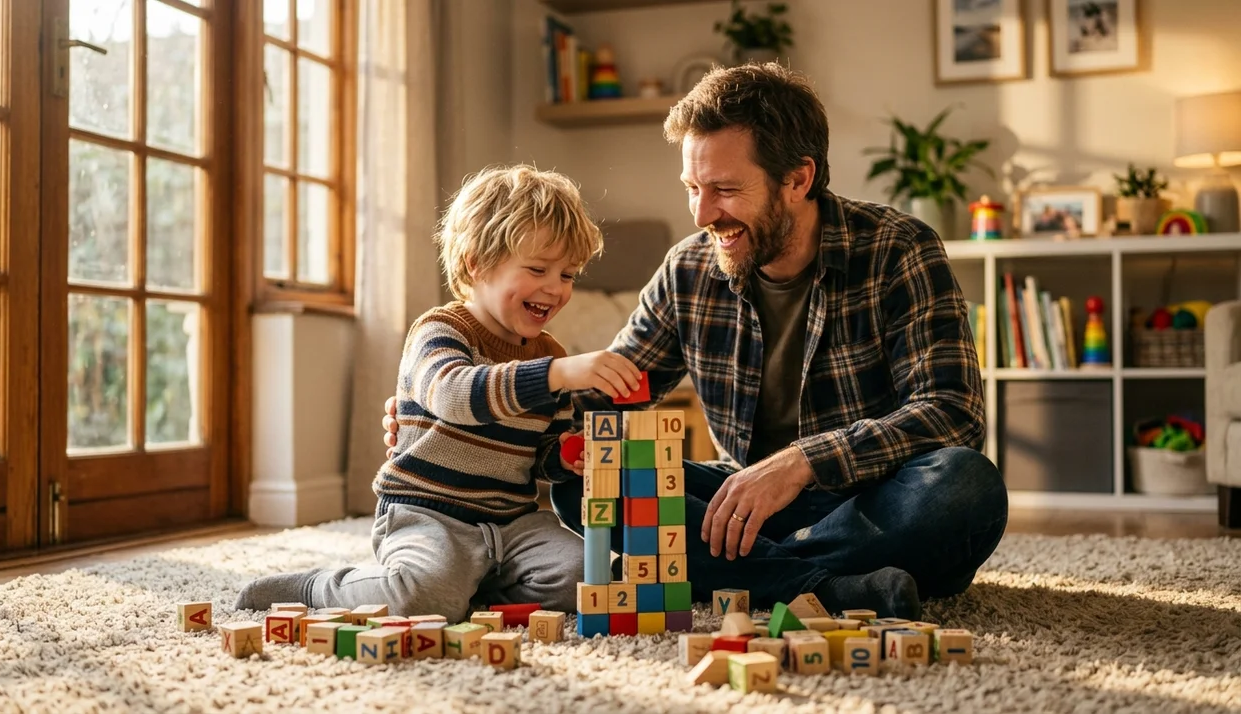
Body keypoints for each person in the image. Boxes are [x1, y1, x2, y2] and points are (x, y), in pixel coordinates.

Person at [385, 62, 1008, 620]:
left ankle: (763, 576)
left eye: (725, 190)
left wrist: (802, 462)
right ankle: (824, 585)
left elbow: (952, 413)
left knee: (963, 485)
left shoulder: (899, 249)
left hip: (871, 499)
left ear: (798, 179)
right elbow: (601, 411)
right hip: (737, 505)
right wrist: (451, 419)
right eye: (693, 187)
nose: (702, 213)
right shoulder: (689, 270)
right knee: (594, 482)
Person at [235, 164, 643, 623]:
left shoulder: (549, 354)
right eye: (537, 269)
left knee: (585, 578)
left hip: (511, 521)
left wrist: (568, 455)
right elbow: (454, 395)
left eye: (568, 275)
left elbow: (543, 450)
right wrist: (558, 373)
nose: (556, 288)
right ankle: (320, 586)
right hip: (429, 516)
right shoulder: (440, 330)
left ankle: (468, 589)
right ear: (477, 263)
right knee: (419, 598)